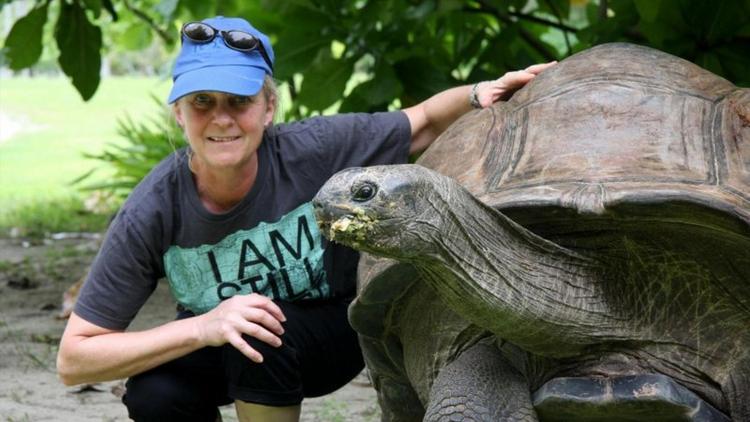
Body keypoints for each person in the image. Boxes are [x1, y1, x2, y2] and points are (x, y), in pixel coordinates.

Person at [56, 15, 554, 422]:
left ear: (269, 107)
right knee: (155, 394)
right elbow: (74, 359)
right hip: (222, 336)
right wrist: (204, 326)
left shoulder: (313, 150)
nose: (222, 119)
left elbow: (421, 120)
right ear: (178, 114)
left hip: (334, 332)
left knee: (256, 330)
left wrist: (479, 95)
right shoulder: (153, 208)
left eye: (240, 102)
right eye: (201, 103)